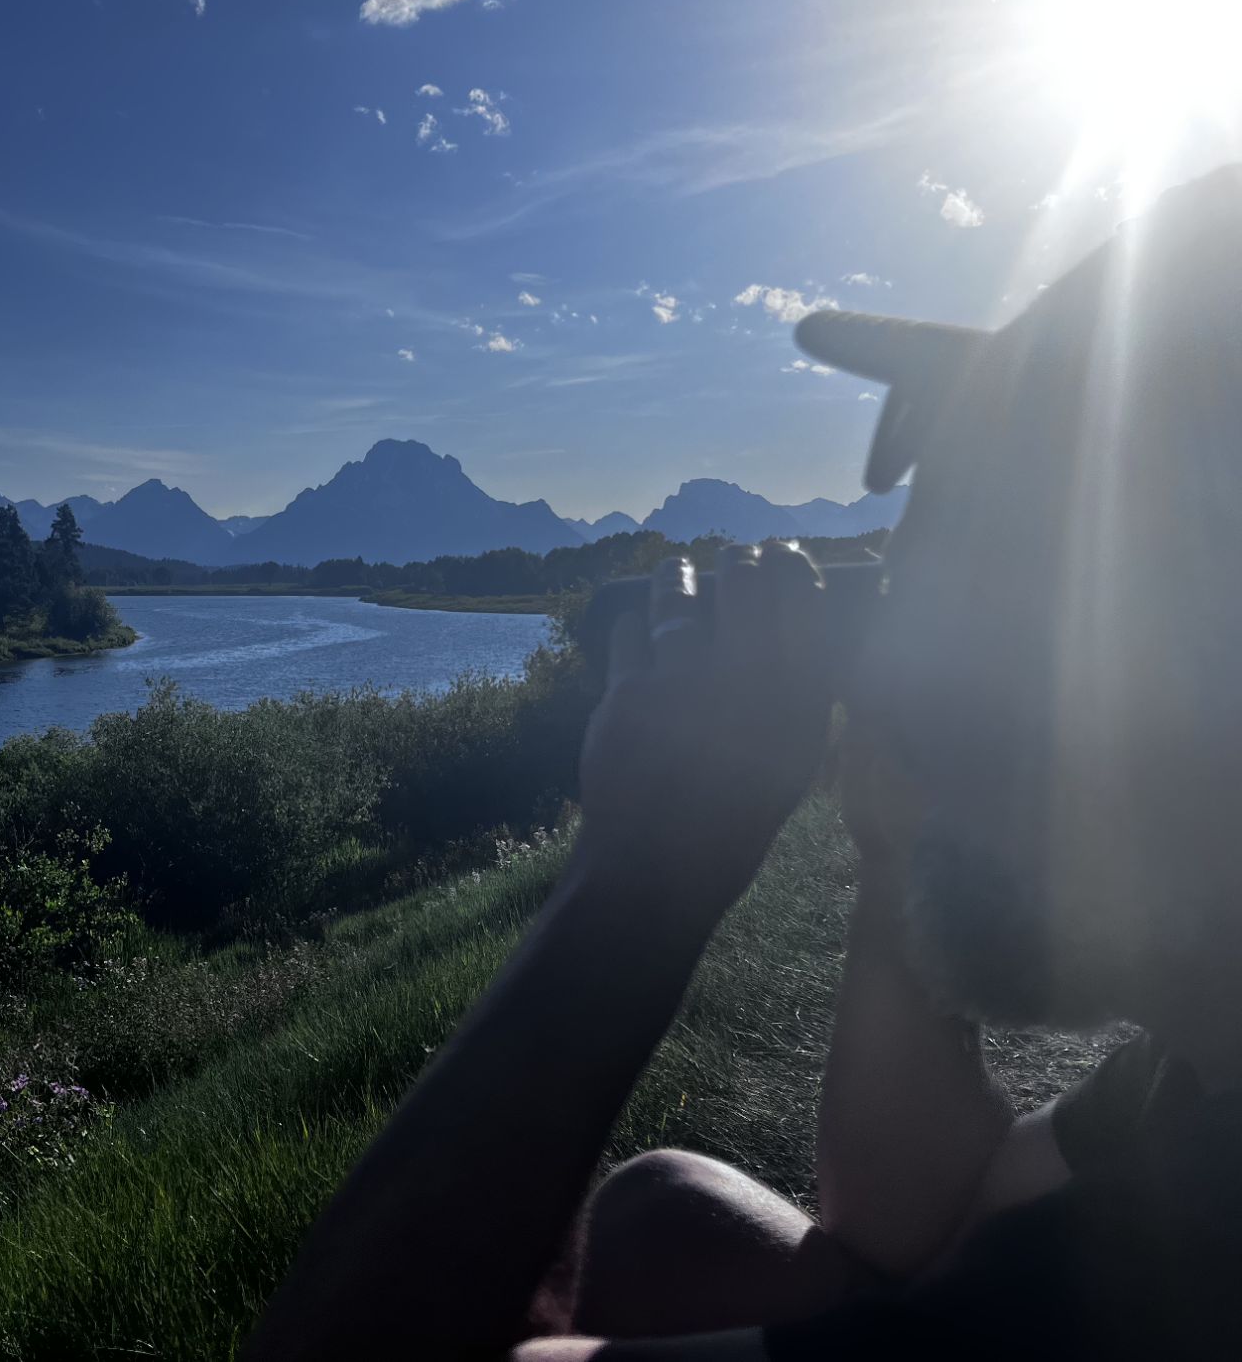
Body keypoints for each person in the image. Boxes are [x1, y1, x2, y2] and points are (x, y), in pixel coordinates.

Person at [245, 163, 1242, 1360]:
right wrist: (897, 852)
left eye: (1005, 606)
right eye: (904, 592)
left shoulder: (1169, 1265)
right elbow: (911, 1223)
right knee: (663, 1220)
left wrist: (637, 880)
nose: (908, 681)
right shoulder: (1193, 1070)